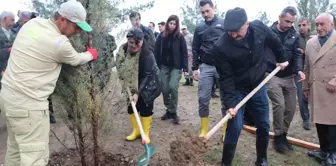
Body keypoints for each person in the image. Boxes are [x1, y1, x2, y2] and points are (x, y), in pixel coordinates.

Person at [0, 1, 98, 165]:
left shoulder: (32, 24)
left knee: (15, 151)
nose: (78, 32)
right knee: (35, 158)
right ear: (63, 20)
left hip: (7, 97)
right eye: (77, 27)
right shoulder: (60, 43)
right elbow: (75, 59)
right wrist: (90, 54)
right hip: (29, 106)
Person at [210, 7, 288, 165]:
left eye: (237, 30)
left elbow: (274, 41)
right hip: (238, 89)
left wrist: (281, 58)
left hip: (259, 85)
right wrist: (230, 103)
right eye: (229, 31)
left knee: (264, 124)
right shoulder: (221, 47)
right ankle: (226, 163)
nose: (233, 35)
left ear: (247, 23)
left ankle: (262, 159)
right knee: (235, 127)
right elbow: (225, 78)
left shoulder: (259, 28)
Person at [266, 6, 305, 153]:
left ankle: (284, 135)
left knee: (290, 107)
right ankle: (277, 137)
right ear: (280, 17)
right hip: (272, 74)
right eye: (287, 21)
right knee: (280, 105)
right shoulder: (269, 32)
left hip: (289, 77)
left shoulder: (294, 35)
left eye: (292, 22)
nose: (289, 25)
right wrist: (273, 62)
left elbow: (297, 55)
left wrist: (299, 70)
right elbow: (264, 52)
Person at [116, 28, 162, 144]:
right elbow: (119, 64)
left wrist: (137, 93)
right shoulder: (123, 49)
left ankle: (145, 133)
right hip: (131, 82)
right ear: (128, 40)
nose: (134, 46)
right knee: (131, 106)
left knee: (145, 106)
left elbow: (146, 76)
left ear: (142, 41)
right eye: (131, 42)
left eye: (138, 42)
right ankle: (136, 131)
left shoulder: (147, 54)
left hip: (149, 83)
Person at [304, 13, 336, 166]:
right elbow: (307, 67)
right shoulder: (311, 43)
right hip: (316, 88)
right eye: (316, 24)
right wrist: (305, 87)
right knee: (319, 122)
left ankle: (332, 154)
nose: (319, 28)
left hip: (333, 91)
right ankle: (323, 150)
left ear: (332, 25)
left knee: (332, 123)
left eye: (322, 24)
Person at [191, 0, 225, 137]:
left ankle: (225, 131)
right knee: (203, 99)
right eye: (202, 12)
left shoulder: (224, 24)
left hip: (223, 67)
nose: (205, 14)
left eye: (207, 11)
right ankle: (204, 129)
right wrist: (194, 68)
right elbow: (195, 49)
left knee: (226, 100)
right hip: (206, 67)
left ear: (213, 8)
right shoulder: (199, 28)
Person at [154, 15, 188, 124]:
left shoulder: (180, 37)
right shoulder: (161, 36)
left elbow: (184, 53)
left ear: (177, 25)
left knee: (173, 87)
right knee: (164, 89)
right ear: (167, 23)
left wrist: (186, 68)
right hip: (164, 66)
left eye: (174, 24)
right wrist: (155, 66)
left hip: (176, 66)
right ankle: (169, 109)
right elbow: (155, 52)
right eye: (170, 23)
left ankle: (173, 112)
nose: (172, 26)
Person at [297, 17, 311, 130]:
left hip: (313, 71)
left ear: (309, 26)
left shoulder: (314, 38)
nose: (301, 27)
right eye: (299, 25)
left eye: (304, 25)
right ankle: (306, 119)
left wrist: (304, 52)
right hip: (301, 71)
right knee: (302, 97)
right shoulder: (295, 38)